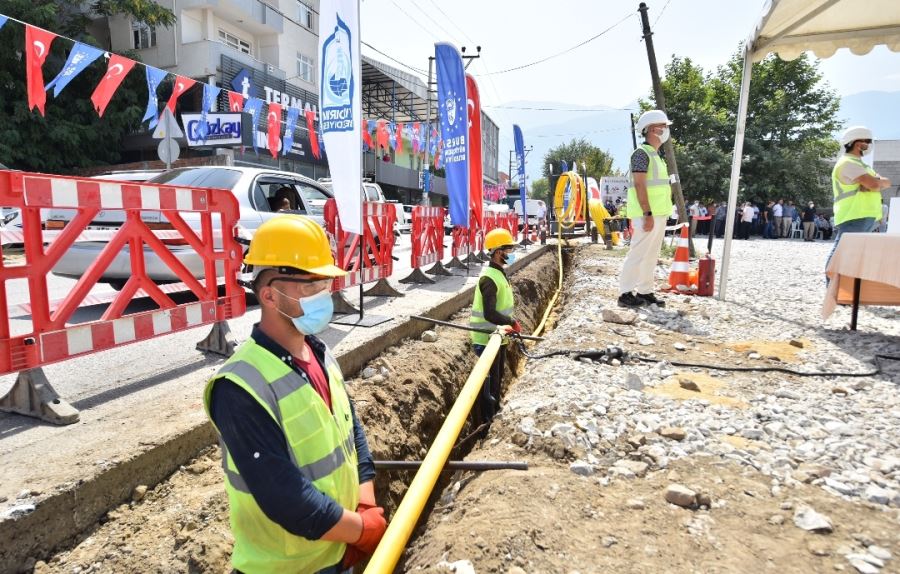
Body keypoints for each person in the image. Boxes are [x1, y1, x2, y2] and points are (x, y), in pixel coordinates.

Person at [204, 215, 387, 574]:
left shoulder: (319, 353)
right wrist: (360, 530)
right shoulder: (239, 387)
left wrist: (364, 507)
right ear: (270, 295)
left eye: (325, 283)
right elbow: (283, 497)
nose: (324, 294)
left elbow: (352, 434)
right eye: (311, 285)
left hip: (337, 549)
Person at [618, 109, 673, 308]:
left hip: (658, 213)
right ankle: (625, 293)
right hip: (647, 214)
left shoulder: (655, 155)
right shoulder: (641, 154)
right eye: (663, 126)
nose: (666, 130)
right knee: (638, 253)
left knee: (651, 254)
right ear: (651, 129)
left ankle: (645, 291)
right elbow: (640, 185)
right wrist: (647, 213)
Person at [470, 228, 521, 425]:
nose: (511, 253)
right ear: (499, 252)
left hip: (498, 337)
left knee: (497, 380)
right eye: (509, 249)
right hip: (486, 340)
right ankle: (487, 424)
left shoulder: (498, 273)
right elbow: (489, 313)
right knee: (489, 385)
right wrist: (511, 322)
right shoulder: (489, 278)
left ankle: (494, 415)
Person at [827, 126, 892, 268]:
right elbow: (875, 184)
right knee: (842, 256)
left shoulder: (861, 165)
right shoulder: (848, 163)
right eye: (867, 141)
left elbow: (886, 182)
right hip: (854, 214)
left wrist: (874, 183)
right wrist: (875, 183)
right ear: (857, 143)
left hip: (863, 215)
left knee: (852, 257)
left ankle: (843, 287)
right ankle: (832, 286)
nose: (869, 145)